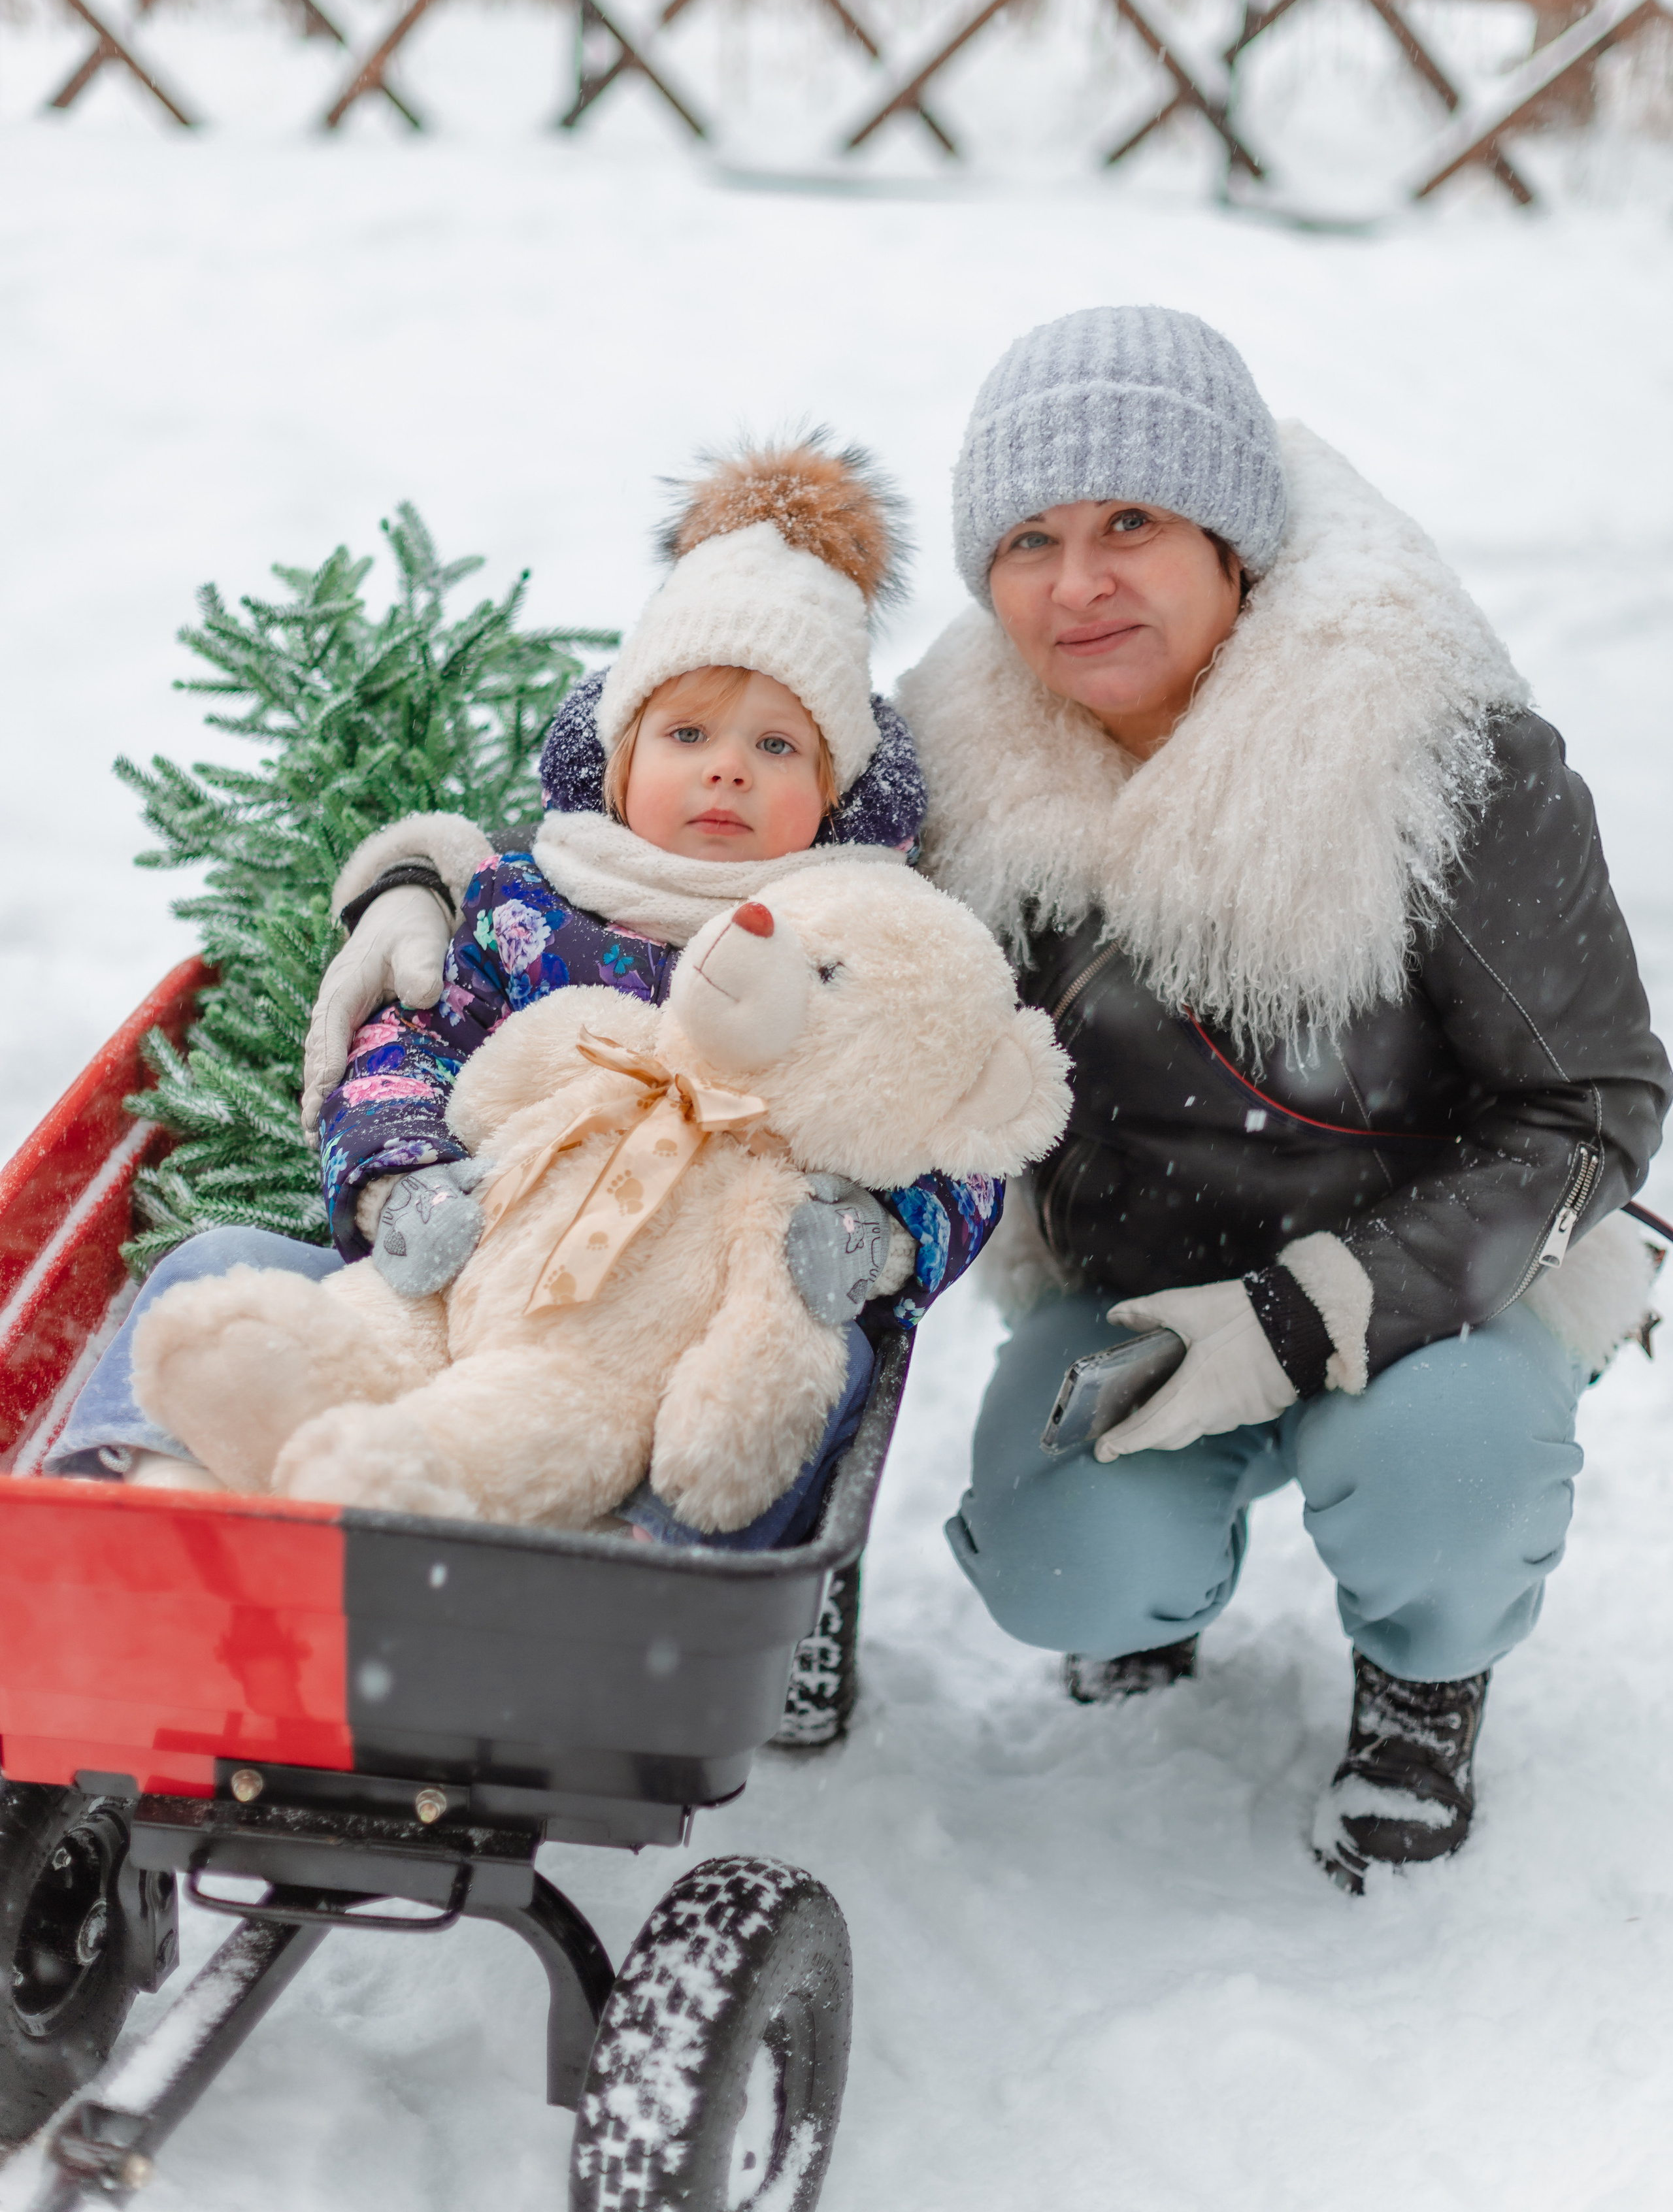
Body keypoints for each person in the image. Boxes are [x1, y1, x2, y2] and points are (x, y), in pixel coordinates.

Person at [893, 303, 1670, 1889]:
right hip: (1138, 1280)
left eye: (1131, 523)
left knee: (1440, 1494)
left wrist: (1313, 1316)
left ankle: (1423, 1671)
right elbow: (720, 856)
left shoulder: (1430, 749)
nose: (1079, 582)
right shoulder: (956, 774)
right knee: (1060, 1565)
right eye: (1028, 540)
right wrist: (436, 892)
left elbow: (1591, 1099)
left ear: (1231, 544)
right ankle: (1151, 1587)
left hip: (1434, 1282)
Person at [50, 440, 1002, 1560]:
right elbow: (411, 1042)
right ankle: (170, 1490)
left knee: (812, 1383)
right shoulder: (529, 904)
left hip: (677, 1341)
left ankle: (638, 1564)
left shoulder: (861, 942)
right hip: (471, 1264)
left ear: (834, 791)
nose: (727, 770)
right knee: (214, 1277)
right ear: (616, 757)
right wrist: (403, 1177)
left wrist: (879, 1236)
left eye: (777, 745)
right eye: (687, 735)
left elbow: (960, 1128)